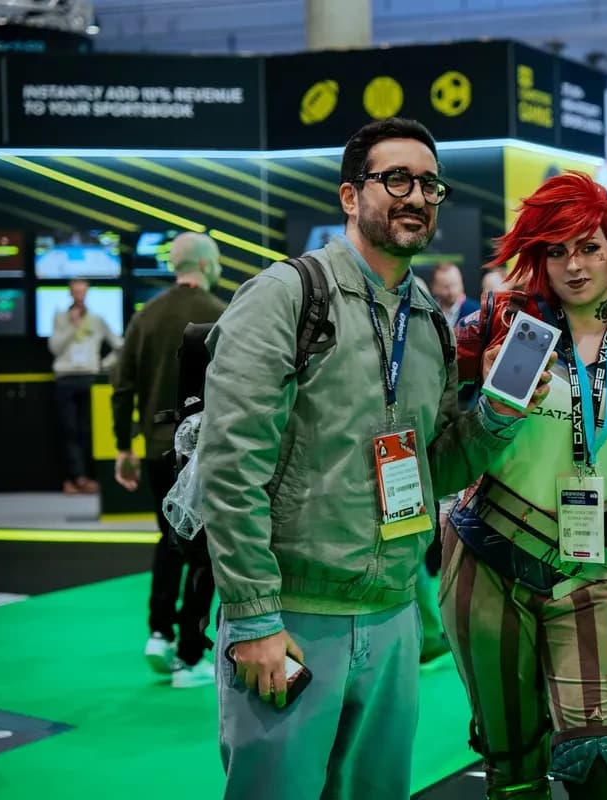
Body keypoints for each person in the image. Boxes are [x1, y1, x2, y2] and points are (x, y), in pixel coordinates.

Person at [196, 117, 549, 800]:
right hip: (293, 616)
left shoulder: (428, 319)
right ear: (350, 195)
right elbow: (230, 465)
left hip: (392, 618)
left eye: (430, 184)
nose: (416, 196)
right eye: (396, 179)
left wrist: (496, 417)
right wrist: (253, 614)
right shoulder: (287, 296)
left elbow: (433, 468)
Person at [441, 171, 607, 800]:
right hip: (487, 558)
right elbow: (423, 401)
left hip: (593, 564)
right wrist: (483, 398)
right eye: (557, 250)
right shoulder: (503, 321)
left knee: (602, 766)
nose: (573, 265)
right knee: (512, 771)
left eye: (589, 248)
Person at [111, 232, 227, 688]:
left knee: (169, 539)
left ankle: (159, 634)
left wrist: (124, 447)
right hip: (206, 452)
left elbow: (122, 385)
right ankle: (190, 655)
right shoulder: (223, 313)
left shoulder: (145, 316)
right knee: (205, 550)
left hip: (157, 449)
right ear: (207, 264)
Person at [48, 277, 122, 494]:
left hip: (90, 378)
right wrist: (73, 327)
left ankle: (87, 478)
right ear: (70, 293)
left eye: (82, 291)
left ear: (87, 293)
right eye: (75, 291)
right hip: (65, 378)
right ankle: (75, 478)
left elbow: (120, 346)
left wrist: (102, 365)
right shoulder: (60, 318)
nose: (79, 295)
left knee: (88, 430)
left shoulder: (97, 319)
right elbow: (54, 348)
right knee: (68, 430)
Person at [431, 261, 481, 326]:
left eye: (455, 285)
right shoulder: (429, 311)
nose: (451, 291)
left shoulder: (476, 312)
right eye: (446, 287)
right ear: (434, 287)